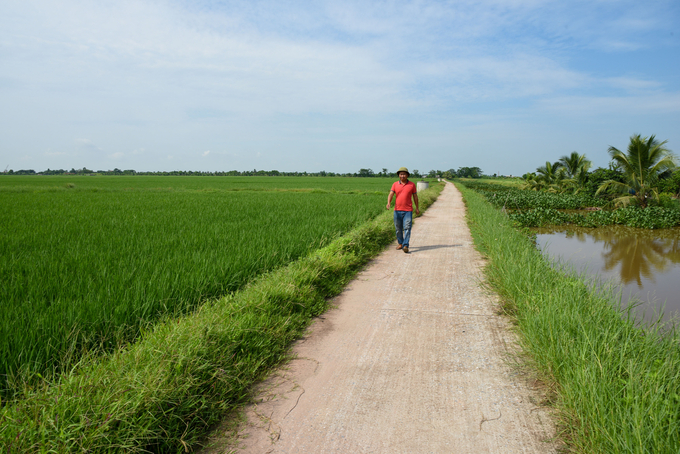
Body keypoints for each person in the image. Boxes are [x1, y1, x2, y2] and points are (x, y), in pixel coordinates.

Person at [386, 167, 420, 253]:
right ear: (398, 175)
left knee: (407, 227)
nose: (402, 176)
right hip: (397, 210)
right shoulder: (395, 184)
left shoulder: (412, 185)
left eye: (404, 174)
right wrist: (389, 203)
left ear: (407, 175)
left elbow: (415, 196)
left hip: (408, 210)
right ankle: (400, 243)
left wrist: (417, 208)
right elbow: (391, 194)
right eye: (401, 174)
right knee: (398, 228)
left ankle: (405, 245)